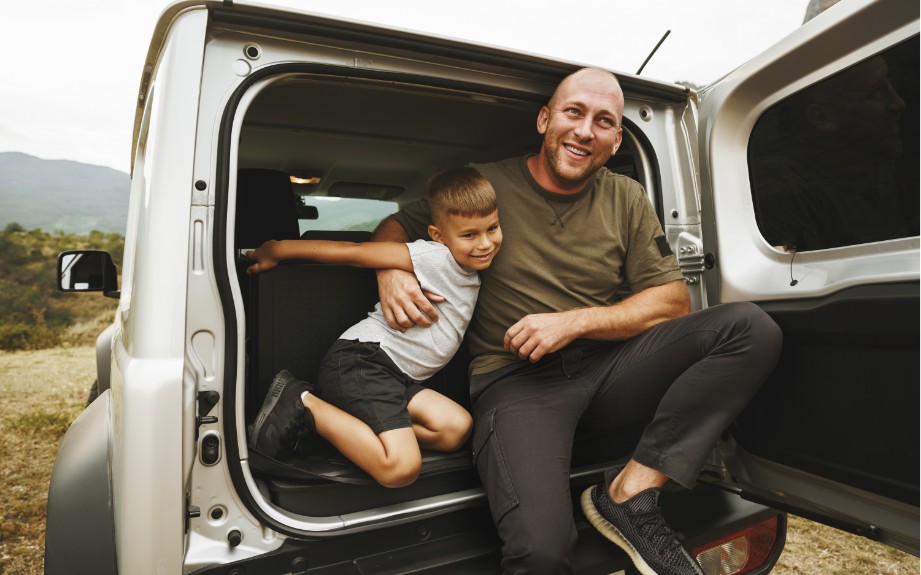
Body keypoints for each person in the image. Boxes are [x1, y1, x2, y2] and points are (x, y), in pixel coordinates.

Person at [373, 68, 783, 574]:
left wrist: (573, 322)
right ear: (545, 120)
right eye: (573, 112)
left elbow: (673, 301)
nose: (585, 130)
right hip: (518, 382)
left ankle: (631, 493)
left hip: (610, 369)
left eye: (604, 121)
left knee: (749, 328)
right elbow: (395, 225)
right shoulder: (485, 183)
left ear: (614, 141)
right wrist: (392, 271)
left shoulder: (627, 197)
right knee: (542, 552)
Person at [247, 166, 502, 488]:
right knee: (400, 470)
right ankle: (302, 401)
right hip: (363, 362)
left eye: (492, 228)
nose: (485, 243)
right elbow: (355, 253)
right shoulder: (432, 255)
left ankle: (337, 434)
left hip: (396, 377)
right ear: (438, 235)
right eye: (469, 235)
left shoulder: (470, 265)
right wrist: (279, 249)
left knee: (455, 429)